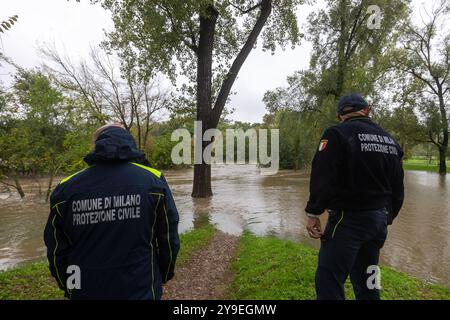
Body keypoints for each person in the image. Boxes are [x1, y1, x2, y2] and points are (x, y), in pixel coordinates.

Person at [44, 123, 180, 300]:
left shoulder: (66, 188)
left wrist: (70, 287)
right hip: (141, 289)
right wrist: (165, 273)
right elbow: (168, 239)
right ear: (130, 143)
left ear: (96, 145)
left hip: (86, 292)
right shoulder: (153, 180)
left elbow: (57, 251)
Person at [305, 93, 404, 300]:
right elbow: (398, 188)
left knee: (329, 277)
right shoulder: (391, 141)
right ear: (367, 110)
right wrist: (387, 217)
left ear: (340, 115)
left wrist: (314, 212)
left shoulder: (336, 134)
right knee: (369, 276)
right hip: (379, 222)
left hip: (348, 221)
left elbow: (322, 177)